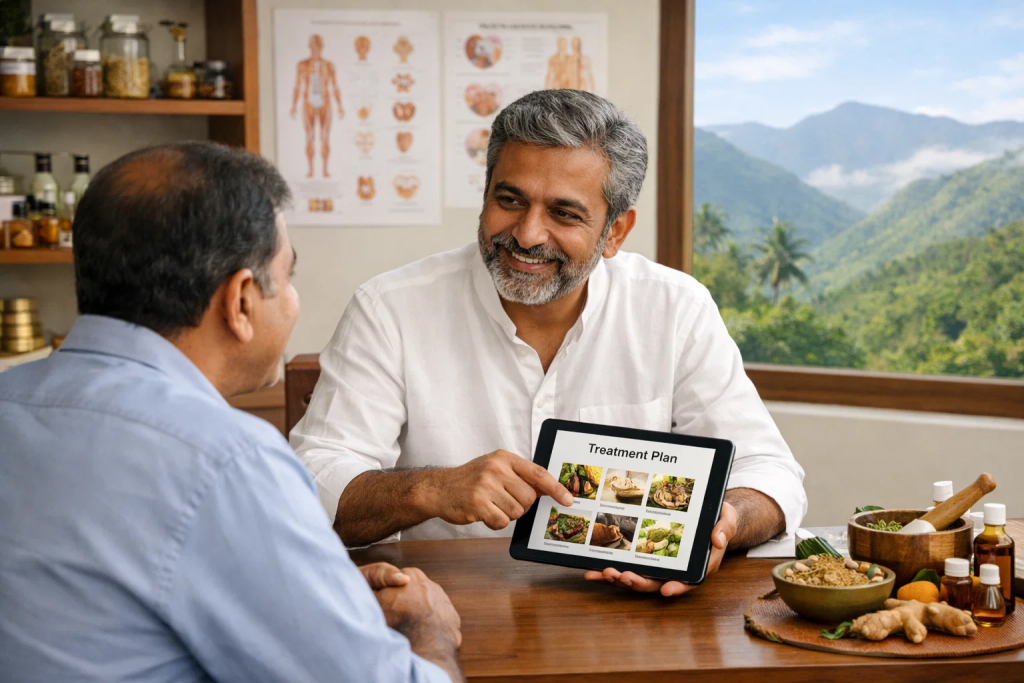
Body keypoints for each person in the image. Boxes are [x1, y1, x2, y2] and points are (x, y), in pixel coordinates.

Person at [290, 89, 807, 597]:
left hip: (634, 613)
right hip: (443, 606)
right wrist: (431, 488)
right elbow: (308, 485)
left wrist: (726, 521)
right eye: (509, 199)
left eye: (564, 213)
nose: (528, 233)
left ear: (615, 232)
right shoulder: (389, 308)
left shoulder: (676, 308)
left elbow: (769, 471)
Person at [0, 143, 462, 682]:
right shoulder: (225, 459)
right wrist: (428, 628)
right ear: (241, 301)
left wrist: (314, 598)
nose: (292, 300)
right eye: (287, 277)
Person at [290, 34, 344, 178]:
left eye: (318, 45)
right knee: (310, 136)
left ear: (322, 47)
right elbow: (297, 86)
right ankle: (311, 170)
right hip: (308, 101)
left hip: (325, 101)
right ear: (309, 46)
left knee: (325, 137)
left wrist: (340, 106)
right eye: (313, 45)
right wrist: (294, 105)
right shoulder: (302, 65)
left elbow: (335, 87)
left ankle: (325, 170)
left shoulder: (329, 65)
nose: (315, 48)